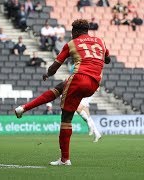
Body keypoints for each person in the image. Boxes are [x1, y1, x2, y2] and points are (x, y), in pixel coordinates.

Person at [14, 19, 110, 165]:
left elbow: (54, 67)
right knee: (61, 87)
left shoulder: (71, 44)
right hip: (95, 83)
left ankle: (65, 159)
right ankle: (23, 108)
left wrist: (47, 74)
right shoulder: (100, 41)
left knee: (66, 119)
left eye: (72, 32)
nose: (71, 34)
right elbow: (107, 59)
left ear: (76, 31)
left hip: (79, 79)